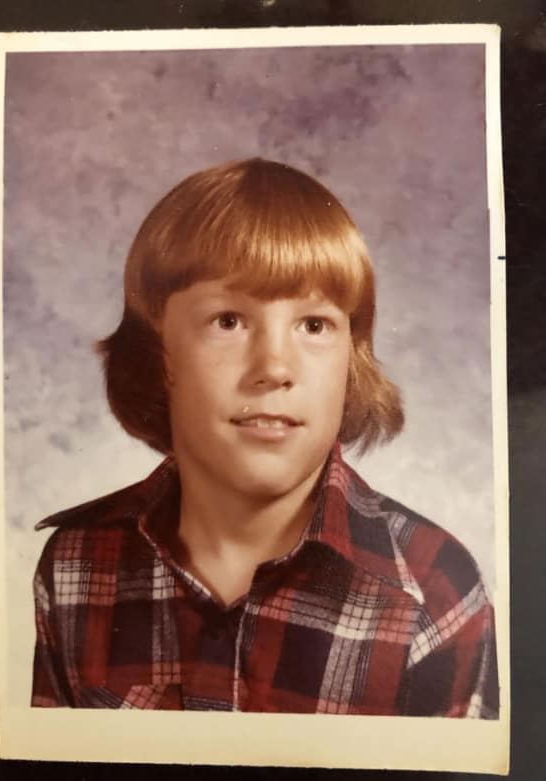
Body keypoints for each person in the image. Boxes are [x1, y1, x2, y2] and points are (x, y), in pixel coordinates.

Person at [31, 158, 499, 716]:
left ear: (351, 362)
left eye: (314, 325)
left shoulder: (432, 591)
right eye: (228, 321)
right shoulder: (75, 563)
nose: (275, 368)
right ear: (158, 356)